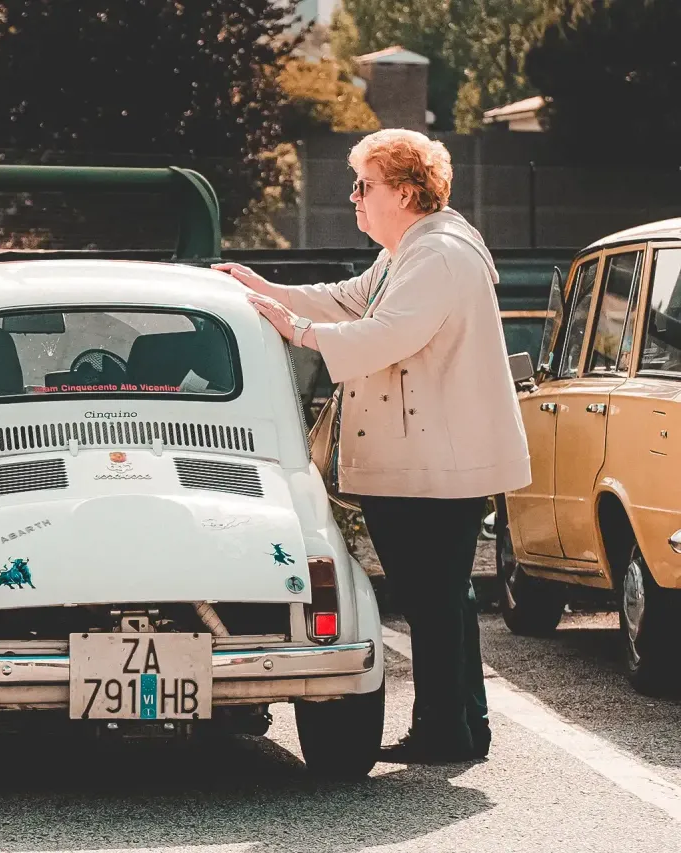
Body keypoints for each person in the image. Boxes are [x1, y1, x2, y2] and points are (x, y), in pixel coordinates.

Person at [213, 128, 530, 764]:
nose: (354, 197)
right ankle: (463, 725)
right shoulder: (411, 251)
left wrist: (295, 329)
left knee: (431, 599)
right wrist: (262, 288)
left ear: (406, 193)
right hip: (432, 459)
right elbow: (346, 299)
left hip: (430, 463)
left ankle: (444, 731)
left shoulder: (436, 255)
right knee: (444, 597)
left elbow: (387, 334)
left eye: (365, 185)